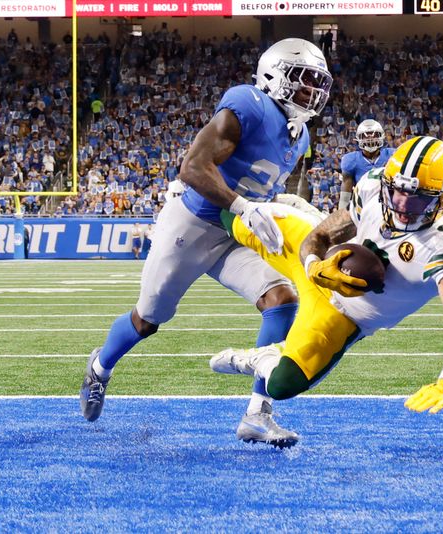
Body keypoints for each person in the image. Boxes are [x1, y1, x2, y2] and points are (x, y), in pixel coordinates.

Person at [80, 39, 334, 448]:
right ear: (275, 75)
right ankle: (100, 366)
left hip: (234, 229)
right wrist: (242, 205)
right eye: (304, 80)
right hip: (194, 220)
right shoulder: (248, 104)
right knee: (148, 319)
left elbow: (260, 182)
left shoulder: (299, 135)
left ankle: (257, 414)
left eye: (317, 83)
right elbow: (194, 167)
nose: (313, 92)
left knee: (282, 299)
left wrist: (273, 203)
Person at [210, 136, 443, 444]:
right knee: (232, 216)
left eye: (418, 198)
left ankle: (262, 358)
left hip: (343, 317)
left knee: (282, 385)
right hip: (321, 267)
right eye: (396, 193)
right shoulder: (372, 185)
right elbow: (321, 234)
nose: (404, 206)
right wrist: (314, 264)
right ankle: (278, 207)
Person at [338, 119, 394, 210]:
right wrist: (341, 214)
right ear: (359, 138)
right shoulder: (351, 160)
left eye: (374, 135)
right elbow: (345, 197)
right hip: (363, 206)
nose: (370, 139)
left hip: (389, 205)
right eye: (365, 136)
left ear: (381, 136)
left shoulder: (392, 155)